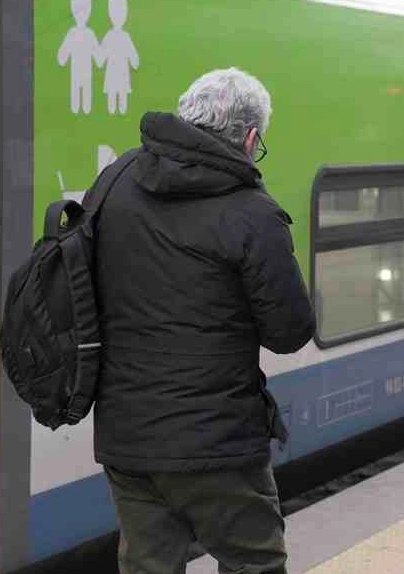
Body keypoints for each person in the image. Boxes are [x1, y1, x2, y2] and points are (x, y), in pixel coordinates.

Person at [91, 67, 315, 574]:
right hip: (218, 443)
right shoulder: (253, 213)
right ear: (250, 137)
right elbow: (289, 332)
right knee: (252, 561)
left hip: (128, 435)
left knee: (148, 566)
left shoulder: (117, 180)